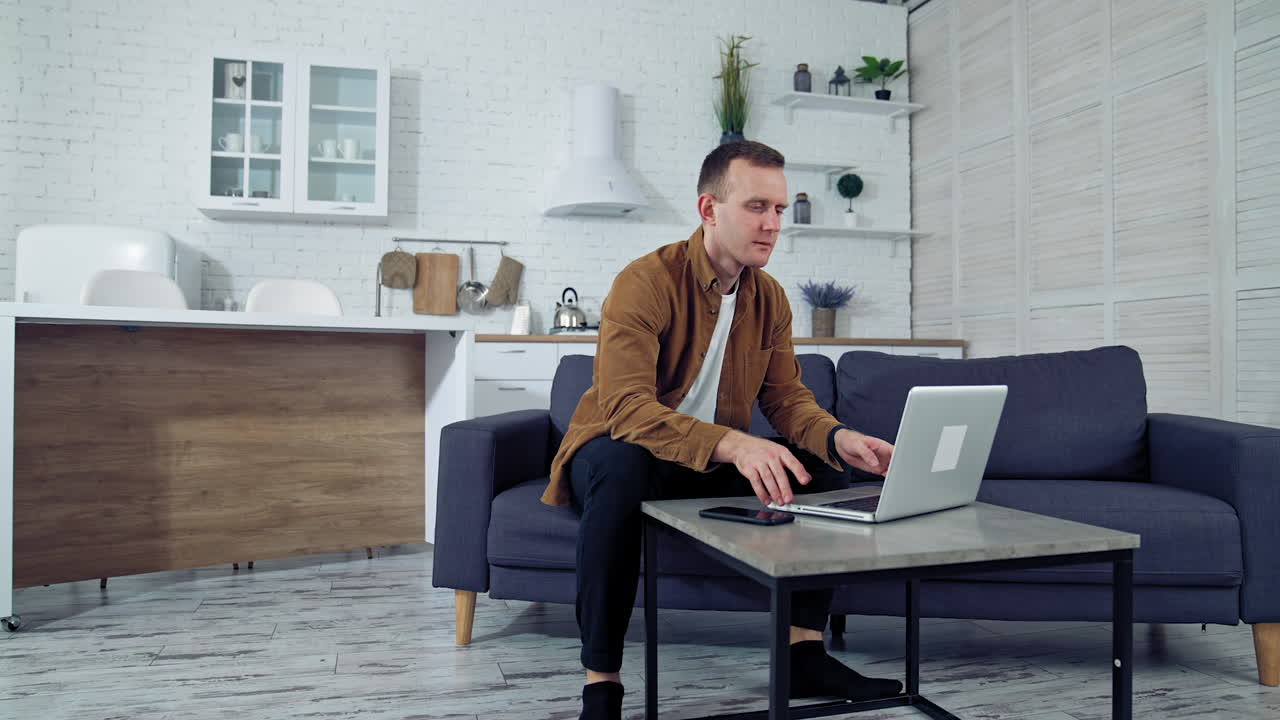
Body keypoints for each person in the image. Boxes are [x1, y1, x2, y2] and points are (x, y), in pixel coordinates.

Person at [543, 141, 903, 720]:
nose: (772, 224)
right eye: (757, 206)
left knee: (820, 471)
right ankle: (602, 685)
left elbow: (788, 400)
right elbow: (627, 407)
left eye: (780, 210)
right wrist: (733, 443)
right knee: (619, 465)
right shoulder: (646, 281)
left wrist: (840, 439)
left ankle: (803, 655)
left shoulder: (770, 299)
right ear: (709, 209)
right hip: (625, 449)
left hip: (707, 462)